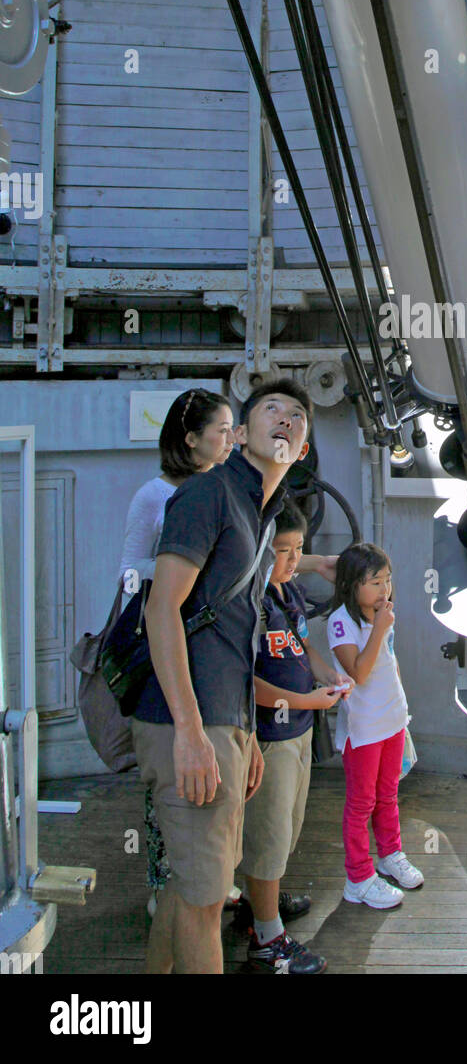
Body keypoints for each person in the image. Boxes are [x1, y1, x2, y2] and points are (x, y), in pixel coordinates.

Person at [129, 377, 314, 975]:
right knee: (208, 904)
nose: (284, 418)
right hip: (189, 721)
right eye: (270, 410)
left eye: (297, 416)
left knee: (192, 891)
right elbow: (162, 609)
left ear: (303, 449)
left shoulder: (260, 517)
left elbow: (236, 633)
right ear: (238, 436)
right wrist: (191, 733)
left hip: (223, 723)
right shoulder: (208, 495)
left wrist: (248, 736)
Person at [117, 388, 234, 933]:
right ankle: (165, 891)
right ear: (190, 440)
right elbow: (127, 571)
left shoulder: (227, 490)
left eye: (235, 429)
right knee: (171, 781)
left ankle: (208, 884)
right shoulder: (154, 495)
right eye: (221, 431)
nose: (231, 440)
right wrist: (173, 570)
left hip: (212, 656)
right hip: (168, 645)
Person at [235, 499, 352, 975]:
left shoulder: (288, 593)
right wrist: (310, 702)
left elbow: (303, 647)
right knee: (267, 833)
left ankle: (255, 902)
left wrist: (330, 678)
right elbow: (249, 684)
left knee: (288, 826)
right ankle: (267, 940)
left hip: (300, 731)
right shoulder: (248, 602)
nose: (290, 560)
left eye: (298, 549)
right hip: (271, 737)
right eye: (281, 551)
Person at [327, 542, 423, 910]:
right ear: (353, 584)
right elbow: (360, 673)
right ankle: (358, 876)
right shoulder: (342, 621)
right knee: (361, 803)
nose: (385, 590)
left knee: (388, 794)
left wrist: (402, 710)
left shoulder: (380, 615)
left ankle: (390, 855)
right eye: (374, 581)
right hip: (364, 729)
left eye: (388, 580)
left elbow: (390, 664)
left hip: (393, 720)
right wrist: (380, 628)